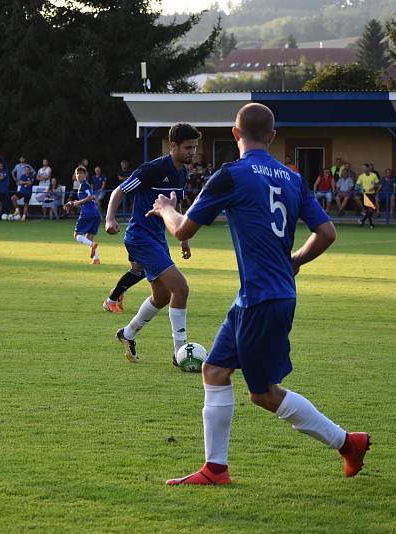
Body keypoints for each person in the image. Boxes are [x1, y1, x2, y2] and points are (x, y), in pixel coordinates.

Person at [146, 103, 368, 486]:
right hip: (259, 296)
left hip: (262, 299)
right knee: (213, 371)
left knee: (264, 393)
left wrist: (166, 207)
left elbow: (182, 230)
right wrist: (295, 260)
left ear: (235, 135)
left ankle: (348, 442)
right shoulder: (292, 177)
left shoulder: (230, 175)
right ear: (272, 137)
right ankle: (215, 469)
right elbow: (327, 232)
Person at [105, 123, 196, 363]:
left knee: (163, 296)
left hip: (158, 239)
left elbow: (175, 207)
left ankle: (127, 333)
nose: (192, 152)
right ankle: (180, 352)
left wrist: (183, 235)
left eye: (194, 147)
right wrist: (110, 218)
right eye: (188, 147)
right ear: (173, 145)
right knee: (181, 288)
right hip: (140, 238)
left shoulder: (182, 173)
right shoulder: (152, 169)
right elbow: (119, 191)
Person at [65, 167, 101, 264]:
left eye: (81, 173)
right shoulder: (85, 185)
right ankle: (96, 259)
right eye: (77, 173)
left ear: (86, 175)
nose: (79, 175)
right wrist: (72, 203)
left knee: (77, 235)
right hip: (96, 213)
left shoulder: (84, 185)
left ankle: (93, 245)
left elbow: (91, 197)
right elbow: (86, 199)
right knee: (88, 238)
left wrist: (78, 202)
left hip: (87, 213)